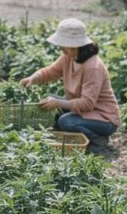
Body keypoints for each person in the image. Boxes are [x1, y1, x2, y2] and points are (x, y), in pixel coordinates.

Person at [20, 18, 121, 154]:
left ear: (75, 45)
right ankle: (75, 136)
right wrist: (32, 78)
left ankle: (97, 141)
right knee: (48, 99)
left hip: (104, 118)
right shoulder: (69, 57)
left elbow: (87, 103)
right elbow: (49, 72)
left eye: (63, 44)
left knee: (67, 122)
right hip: (84, 111)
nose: (60, 48)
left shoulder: (93, 67)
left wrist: (57, 103)